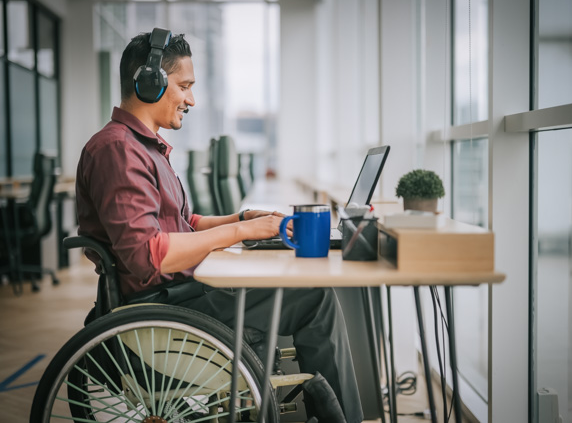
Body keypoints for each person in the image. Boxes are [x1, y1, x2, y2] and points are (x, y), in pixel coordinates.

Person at [75, 29, 363, 422]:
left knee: (306, 290)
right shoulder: (118, 150)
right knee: (314, 296)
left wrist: (243, 219)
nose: (191, 99)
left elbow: (182, 223)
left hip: (179, 293)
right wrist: (241, 233)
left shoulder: (141, 146)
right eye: (184, 86)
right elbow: (148, 255)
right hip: (161, 307)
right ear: (150, 82)